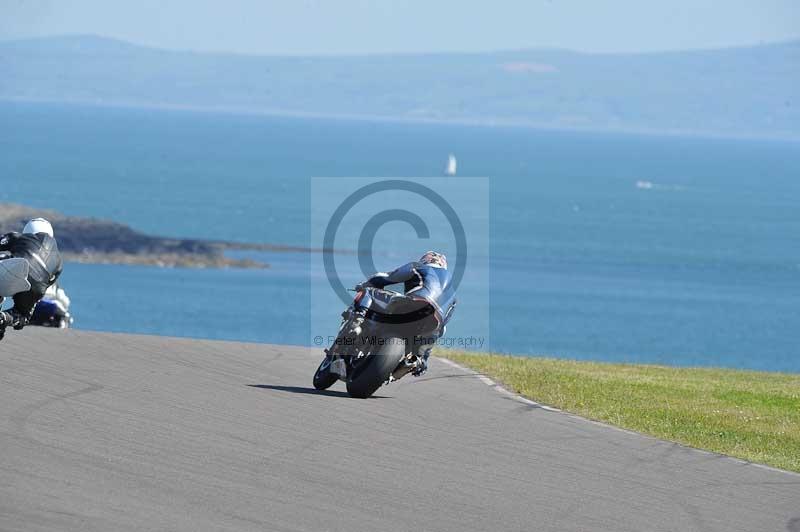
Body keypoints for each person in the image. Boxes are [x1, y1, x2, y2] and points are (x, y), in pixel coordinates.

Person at [359, 251, 456, 376]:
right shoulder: (452, 292)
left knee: (369, 292)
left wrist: (369, 283)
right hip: (432, 322)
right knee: (437, 331)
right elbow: (442, 328)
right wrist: (424, 359)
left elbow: (389, 277)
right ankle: (416, 360)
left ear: (426, 260)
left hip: (413, 303)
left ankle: (359, 317)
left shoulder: (419, 266)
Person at [0, 218, 63, 339]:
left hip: (16, 266)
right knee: (22, 316)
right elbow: (47, 284)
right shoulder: (59, 262)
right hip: (36, 286)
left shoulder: (18, 237)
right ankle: (4, 318)